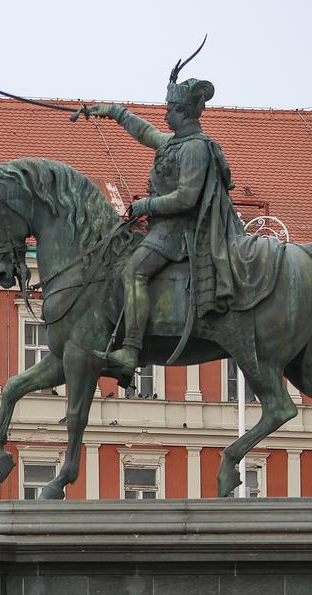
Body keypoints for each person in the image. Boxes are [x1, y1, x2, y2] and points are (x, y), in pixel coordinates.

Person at [85, 54, 244, 387]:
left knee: (134, 271)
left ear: (183, 112)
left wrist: (147, 204)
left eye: (169, 109)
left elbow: (186, 197)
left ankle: (130, 350)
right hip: (163, 229)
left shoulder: (195, 148)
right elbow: (144, 133)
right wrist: (112, 111)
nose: (164, 114)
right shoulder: (176, 142)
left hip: (179, 233)